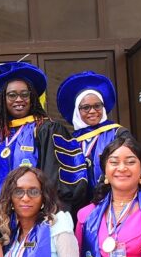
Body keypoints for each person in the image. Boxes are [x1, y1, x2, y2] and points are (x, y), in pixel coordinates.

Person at [0, 62, 87, 212]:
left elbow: (58, 180)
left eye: (25, 94)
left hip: (41, 216)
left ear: (33, 98)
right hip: (2, 219)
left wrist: (49, 214)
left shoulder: (47, 130)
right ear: (3, 99)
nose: (19, 99)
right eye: (12, 95)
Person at [56, 71, 133, 213]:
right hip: (80, 206)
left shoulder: (118, 133)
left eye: (97, 106)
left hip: (113, 200)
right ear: (77, 111)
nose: (92, 111)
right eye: (86, 107)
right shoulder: (70, 141)